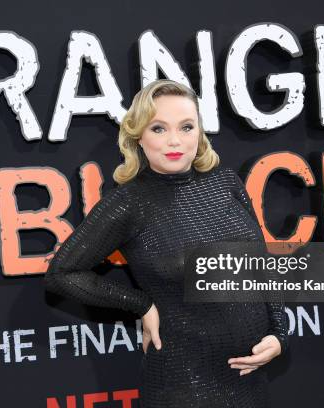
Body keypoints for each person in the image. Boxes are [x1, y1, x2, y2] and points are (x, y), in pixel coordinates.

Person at [44, 79, 289, 407]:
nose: (175, 140)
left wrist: (279, 333)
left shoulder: (226, 183)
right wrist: (140, 304)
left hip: (250, 381)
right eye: (158, 129)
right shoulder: (130, 202)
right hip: (182, 383)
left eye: (186, 127)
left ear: (199, 132)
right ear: (138, 137)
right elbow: (62, 274)